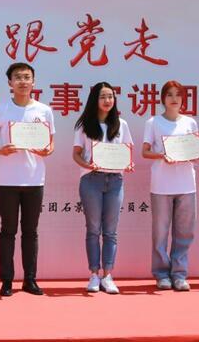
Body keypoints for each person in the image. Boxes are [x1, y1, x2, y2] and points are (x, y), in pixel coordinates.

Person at [0, 62, 55, 296]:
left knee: (31, 232)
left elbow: (50, 144)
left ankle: (30, 280)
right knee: (7, 231)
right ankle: (6, 281)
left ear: (34, 82)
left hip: (34, 179)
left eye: (27, 77)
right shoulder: (0, 110)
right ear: (10, 83)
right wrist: (1, 150)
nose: (23, 81)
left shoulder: (44, 111)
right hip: (8, 180)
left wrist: (47, 150)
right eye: (18, 77)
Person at [72, 82, 133, 295]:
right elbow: (76, 154)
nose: (107, 101)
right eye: (103, 97)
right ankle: (94, 274)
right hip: (91, 180)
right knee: (93, 229)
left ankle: (107, 275)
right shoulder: (84, 125)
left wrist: (128, 164)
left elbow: (127, 151)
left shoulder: (121, 125)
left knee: (111, 231)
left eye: (110, 96)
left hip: (115, 180)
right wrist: (88, 165)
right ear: (94, 100)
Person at [141, 79, 199, 291]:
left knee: (184, 232)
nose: (174, 99)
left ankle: (179, 274)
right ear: (163, 99)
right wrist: (162, 155)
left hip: (186, 184)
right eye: (169, 95)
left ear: (183, 98)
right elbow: (145, 151)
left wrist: (193, 153)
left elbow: (196, 151)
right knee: (160, 232)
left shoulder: (190, 123)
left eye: (178, 94)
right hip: (161, 185)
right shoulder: (153, 122)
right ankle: (161, 274)